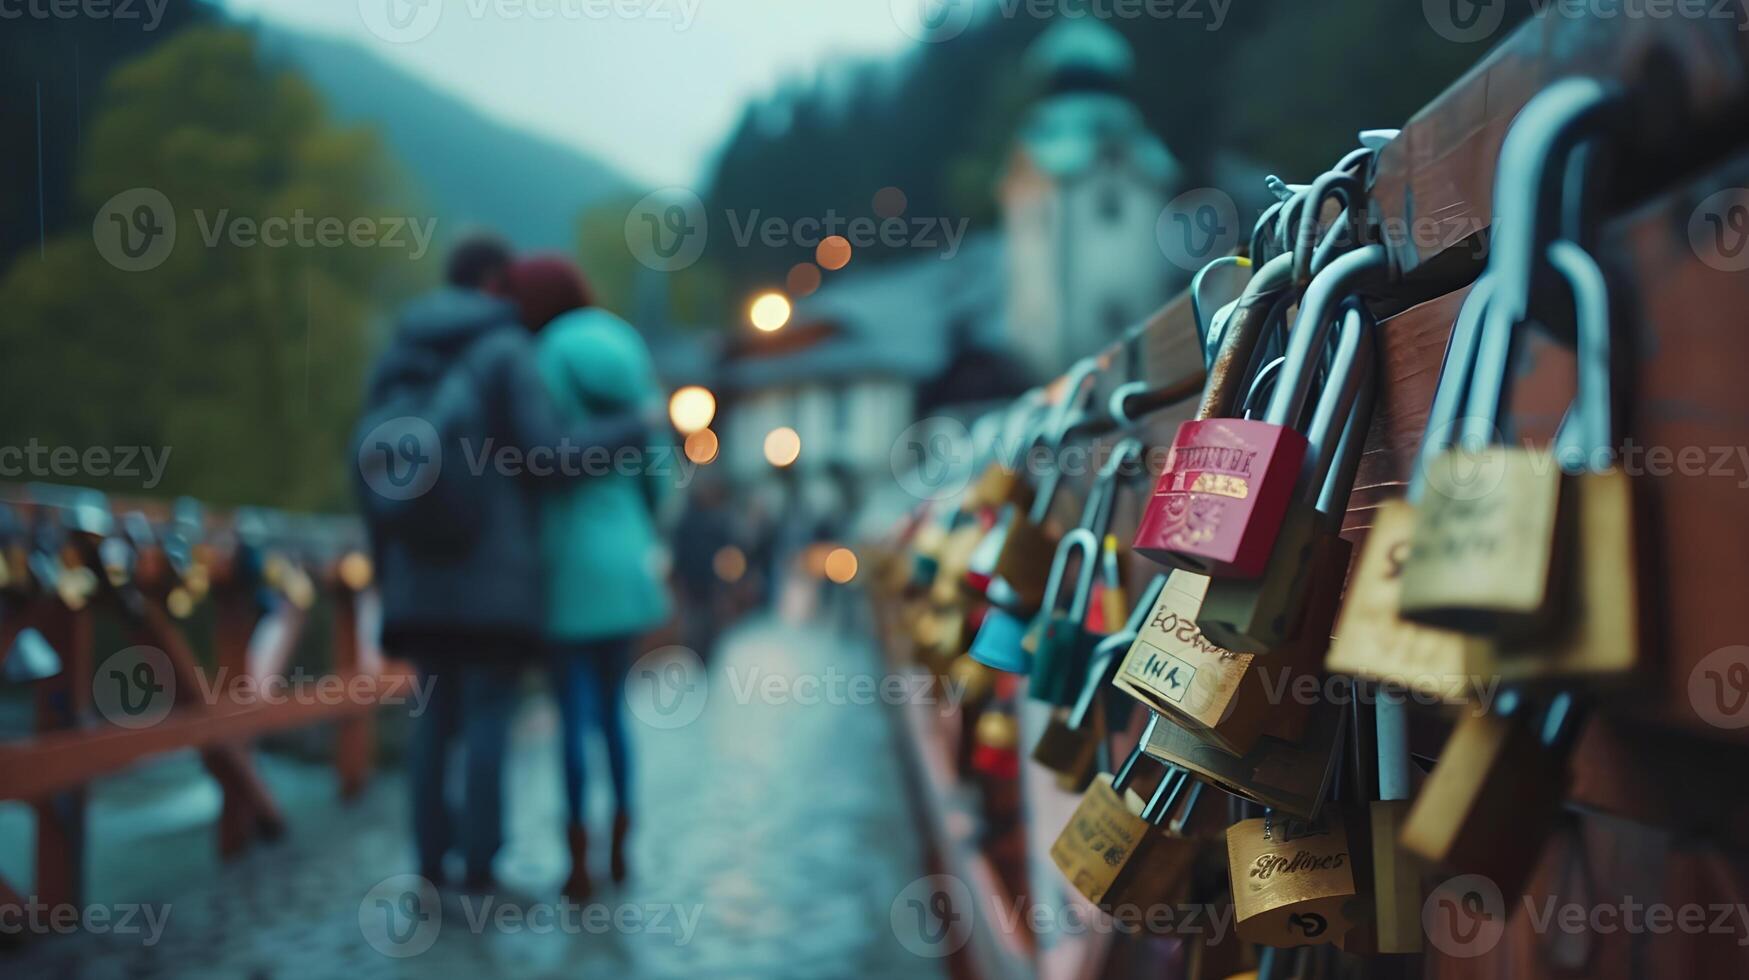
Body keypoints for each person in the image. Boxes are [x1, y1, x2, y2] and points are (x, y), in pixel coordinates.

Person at [354, 234, 647, 891]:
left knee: (433, 716)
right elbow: (550, 453)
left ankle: (431, 864)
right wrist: (633, 429)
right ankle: (480, 869)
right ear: (493, 283)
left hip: (414, 570)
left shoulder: (399, 352)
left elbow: (374, 469)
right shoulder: (507, 351)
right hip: (495, 575)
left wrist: (383, 569)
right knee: (488, 713)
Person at [499, 255, 671, 901]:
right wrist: (645, 525)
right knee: (615, 714)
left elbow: (535, 458)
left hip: (563, 557)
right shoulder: (624, 346)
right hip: (625, 549)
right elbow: (658, 468)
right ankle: (621, 839)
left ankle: (576, 856)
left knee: (570, 714)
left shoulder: (539, 356)